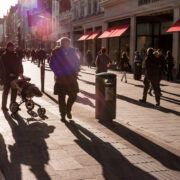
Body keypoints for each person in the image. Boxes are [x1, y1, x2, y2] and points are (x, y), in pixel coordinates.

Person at [50, 37, 81, 121]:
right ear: (62, 44)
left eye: (68, 43)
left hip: (71, 77)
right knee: (61, 98)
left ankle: (68, 109)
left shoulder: (72, 51)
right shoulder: (56, 52)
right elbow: (52, 63)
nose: (67, 45)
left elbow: (77, 62)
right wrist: (57, 72)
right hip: (61, 78)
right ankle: (63, 114)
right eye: (65, 43)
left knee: (73, 96)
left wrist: (77, 69)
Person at [1, 42, 23, 111]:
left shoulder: (15, 54)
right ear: (7, 47)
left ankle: (13, 106)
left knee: (14, 92)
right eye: (10, 47)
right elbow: (3, 67)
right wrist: (8, 73)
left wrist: (20, 72)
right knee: (6, 91)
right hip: (7, 77)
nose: (11, 48)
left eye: (12, 47)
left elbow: (19, 63)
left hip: (15, 76)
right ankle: (3, 106)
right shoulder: (4, 56)